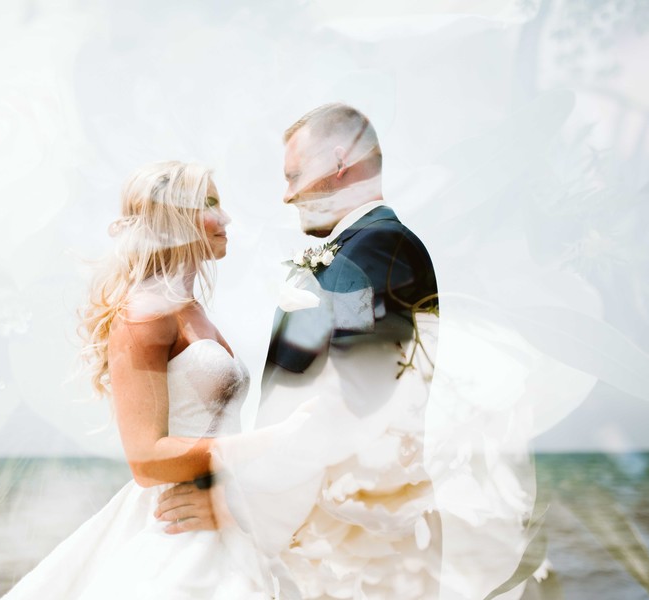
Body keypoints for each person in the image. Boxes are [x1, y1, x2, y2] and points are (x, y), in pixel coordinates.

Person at [157, 103, 443, 599]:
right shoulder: (365, 250)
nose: (287, 195)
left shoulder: (375, 251)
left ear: (339, 160)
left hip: (356, 545)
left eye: (293, 176)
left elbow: (353, 404)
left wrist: (237, 507)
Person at [0, 161, 282, 599]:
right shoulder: (143, 318)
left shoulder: (192, 310)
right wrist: (275, 443)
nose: (225, 218)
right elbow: (147, 459)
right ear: (172, 219)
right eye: (209, 204)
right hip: (180, 530)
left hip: (223, 512)